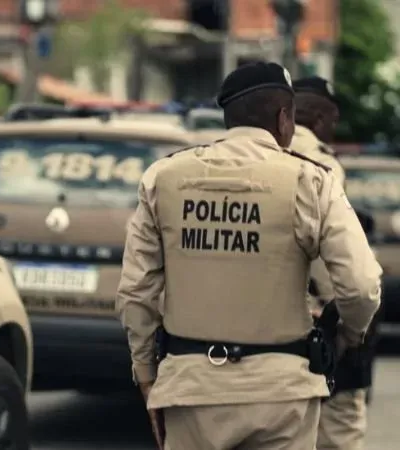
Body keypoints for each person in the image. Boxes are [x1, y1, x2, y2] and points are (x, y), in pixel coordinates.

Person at [116, 61, 383, 450]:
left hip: (192, 389)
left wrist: (146, 373)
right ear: (284, 117)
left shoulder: (163, 178)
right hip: (281, 394)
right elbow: (360, 287)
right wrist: (347, 337)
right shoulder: (311, 180)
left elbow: (136, 292)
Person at [292, 75, 383, 450]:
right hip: (318, 318)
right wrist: (350, 328)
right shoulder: (322, 164)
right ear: (316, 117)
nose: (332, 129)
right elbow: (341, 268)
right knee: (340, 423)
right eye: (331, 121)